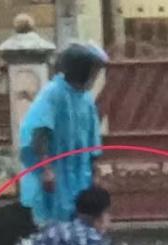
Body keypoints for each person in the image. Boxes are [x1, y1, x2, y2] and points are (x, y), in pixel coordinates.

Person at [19, 42, 108, 228]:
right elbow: (39, 132)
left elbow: (92, 140)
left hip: (80, 174)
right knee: (56, 225)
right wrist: (46, 170)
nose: (95, 77)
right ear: (81, 70)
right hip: (57, 175)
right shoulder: (52, 94)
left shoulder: (86, 100)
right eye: (93, 72)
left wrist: (95, 170)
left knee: (83, 223)